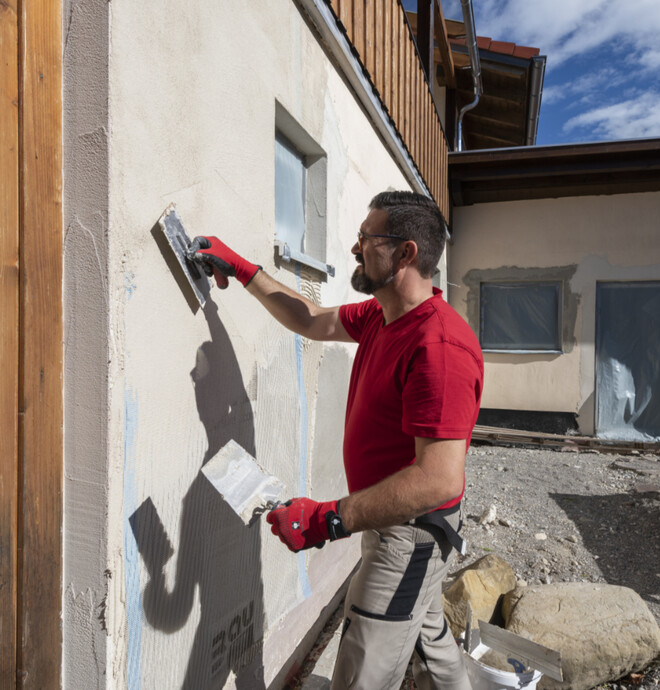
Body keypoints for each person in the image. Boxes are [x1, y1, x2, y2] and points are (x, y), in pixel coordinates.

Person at [190, 191, 483, 690]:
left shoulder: (440, 346)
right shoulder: (379, 316)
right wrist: (243, 270)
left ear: (406, 254)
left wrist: (330, 518)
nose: (355, 247)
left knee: (362, 670)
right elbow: (308, 318)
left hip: (409, 532)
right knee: (428, 643)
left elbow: (438, 478)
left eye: (368, 238)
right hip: (391, 517)